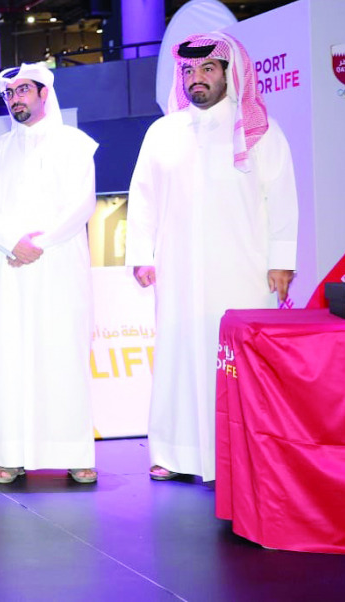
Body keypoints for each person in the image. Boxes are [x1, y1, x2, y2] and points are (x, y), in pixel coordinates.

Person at [126, 32, 298, 482]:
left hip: (242, 270)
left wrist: (281, 261)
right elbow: (142, 198)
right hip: (179, 270)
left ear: (228, 72)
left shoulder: (260, 130)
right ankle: (175, 453)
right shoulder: (163, 132)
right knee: (179, 358)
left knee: (239, 364)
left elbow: (281, 197)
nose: (196, 78)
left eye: (207, 69)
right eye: (188, 70)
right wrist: (141, 255)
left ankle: (242, 453)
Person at [0, 63, 98, 485]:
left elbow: (82, 204)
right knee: (10, 358)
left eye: (23, 90)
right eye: (9, 93)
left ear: (44, 93)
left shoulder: (75, 144)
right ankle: (11, 455)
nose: (15, 99)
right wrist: (13, 242)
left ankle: (74, 453)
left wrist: (37, 245)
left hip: (59, 266)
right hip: (10, 269)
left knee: (63, 355)